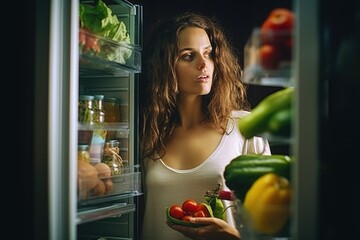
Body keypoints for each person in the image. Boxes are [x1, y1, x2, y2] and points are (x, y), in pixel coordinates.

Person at [139, 11, 271, 240]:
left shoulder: (244, 127)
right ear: (164, 67)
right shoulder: (147, 132)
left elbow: (273, 223)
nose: (204, 64)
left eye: (209, 54)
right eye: (188, 56)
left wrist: (233, 236)